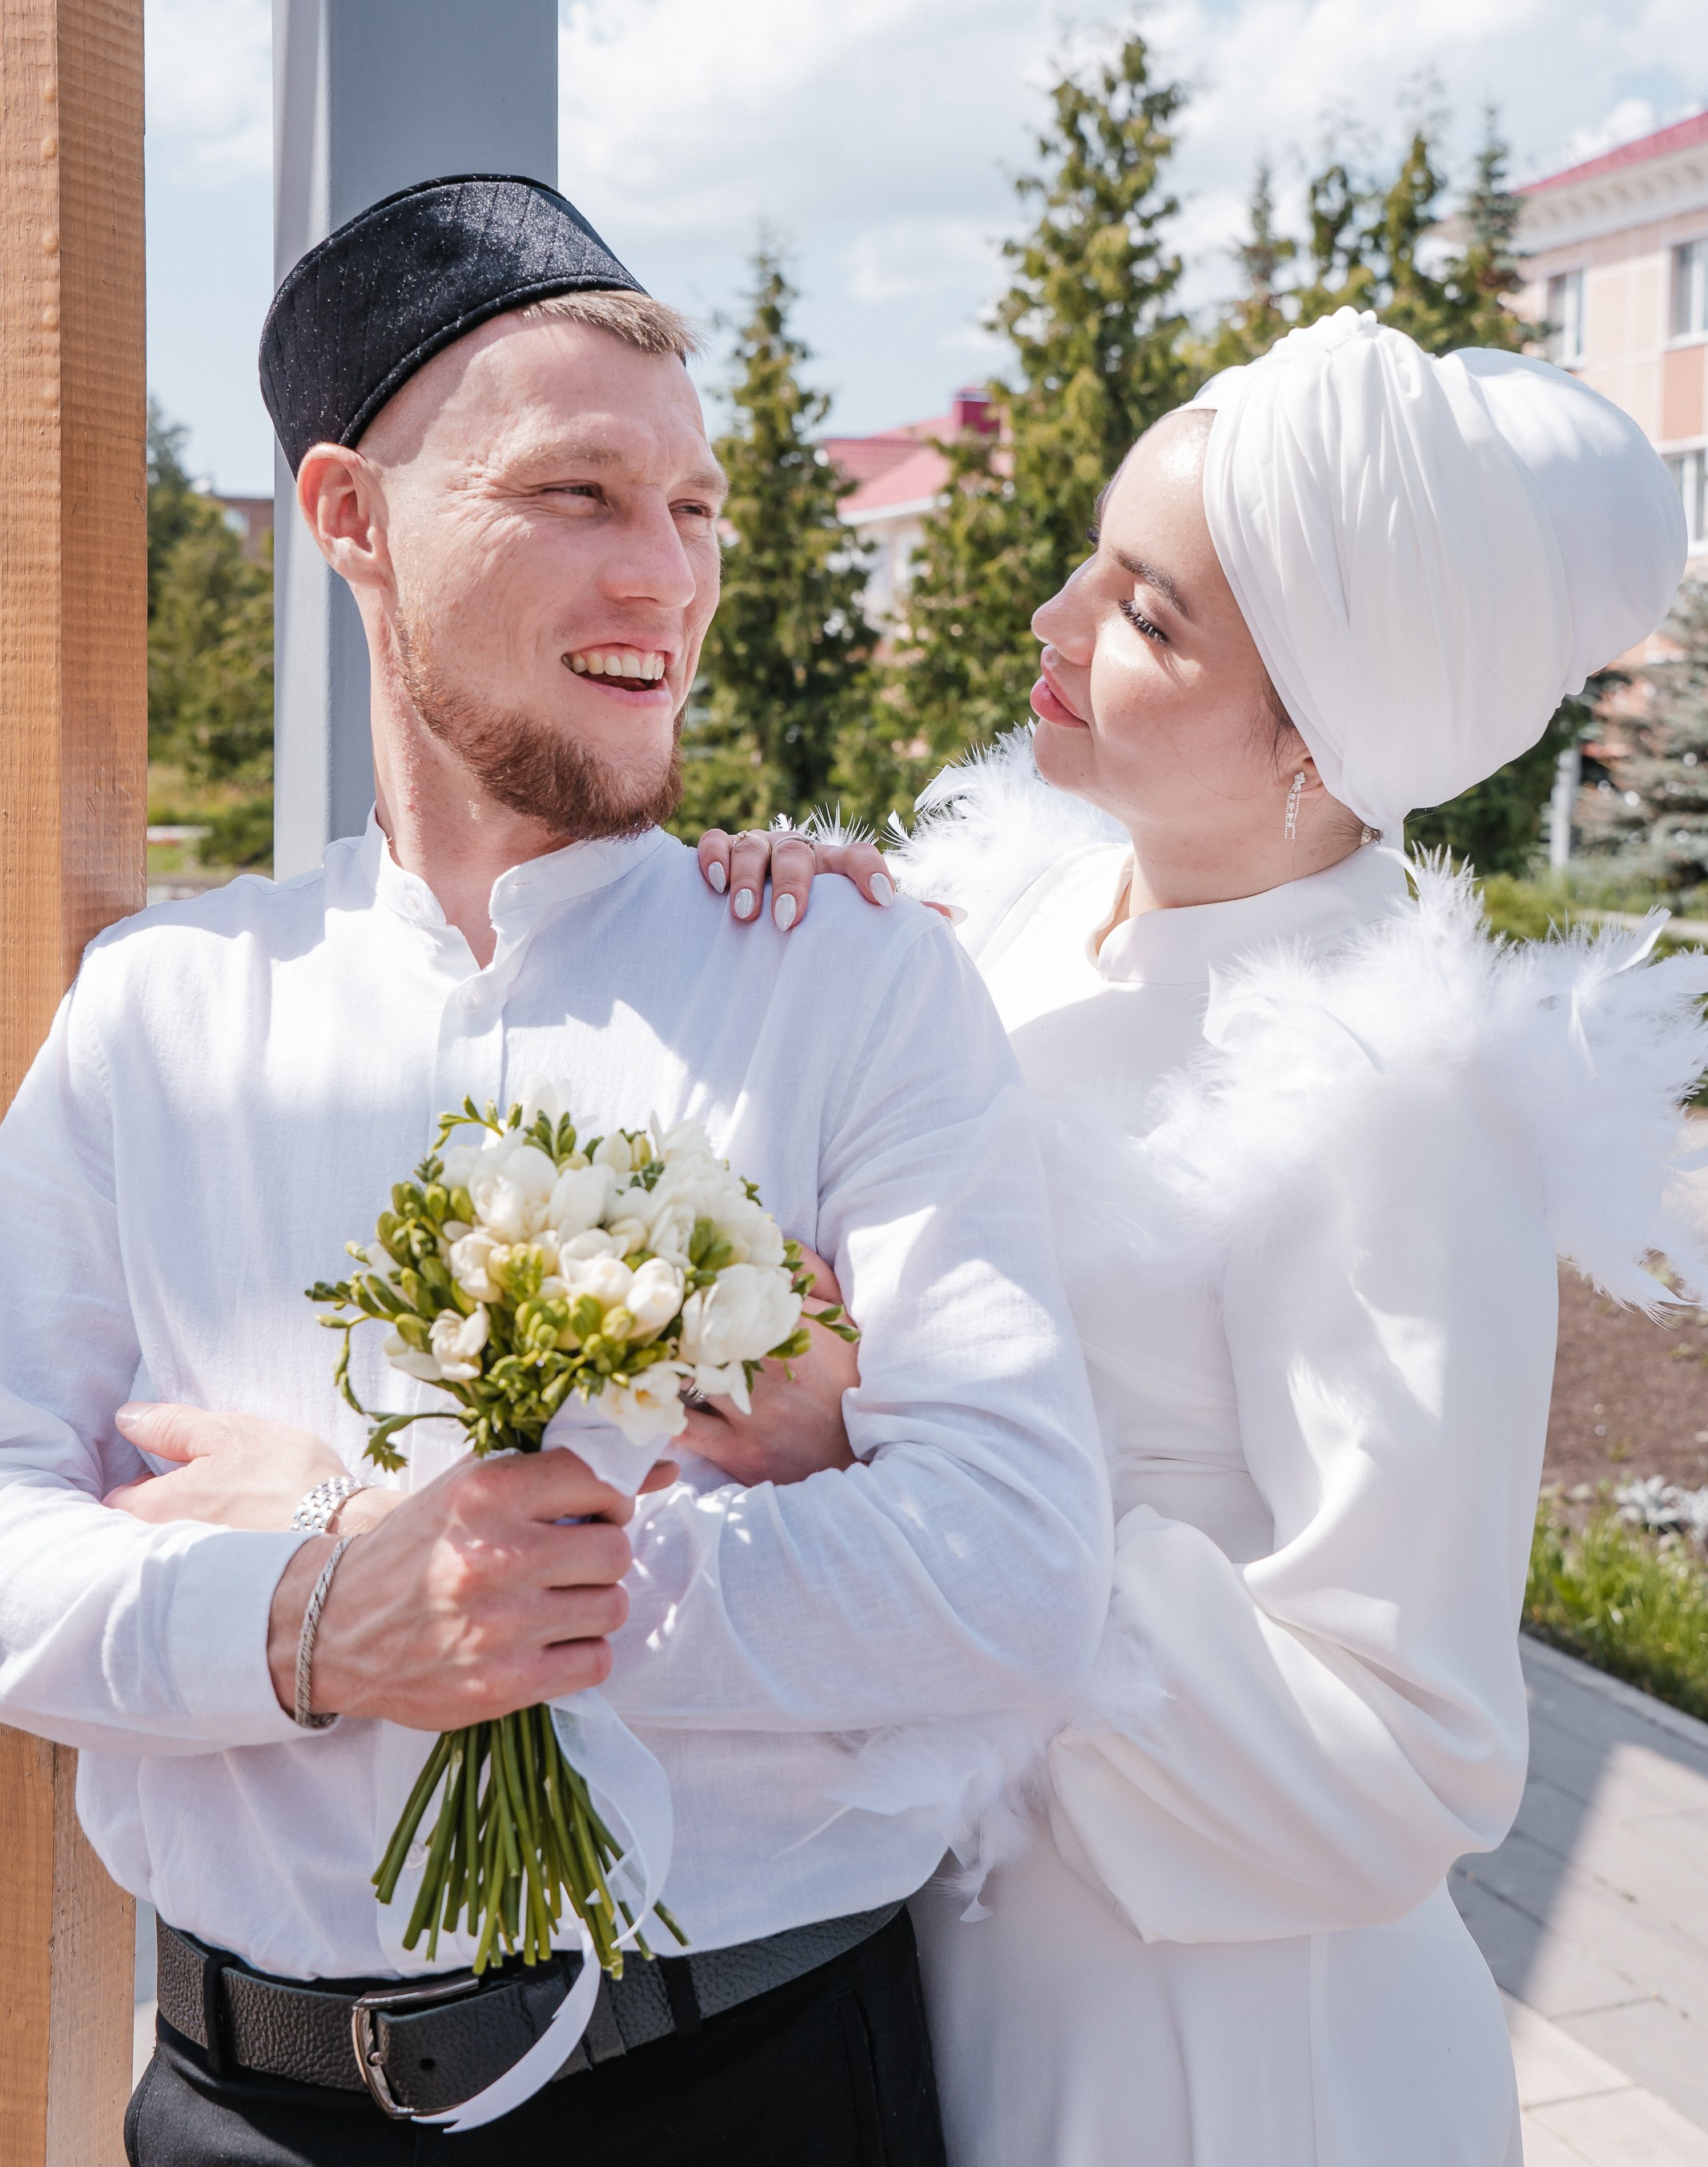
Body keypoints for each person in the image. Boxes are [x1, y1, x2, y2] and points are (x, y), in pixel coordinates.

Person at [0, 175, 1109, 2166]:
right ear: (348, 516)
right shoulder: (152, 1014)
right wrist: (308, 1623)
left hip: (746, 2089)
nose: (664, 582)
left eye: (693, 512)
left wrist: (399, 1551)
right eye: (575, 495)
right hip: (236, 2116)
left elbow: (1016, 1569)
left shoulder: (848, 975)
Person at [681, 309, 1708, 2165]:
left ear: (1322, 727)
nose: (1052, 621)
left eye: (1148, 616)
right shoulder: (1004, 916)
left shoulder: (1390, 1098)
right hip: (964, 1961)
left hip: (1212, 2055)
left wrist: (915, 1481)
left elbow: (1412, 1747)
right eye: (1097, 554)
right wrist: (790, 953)